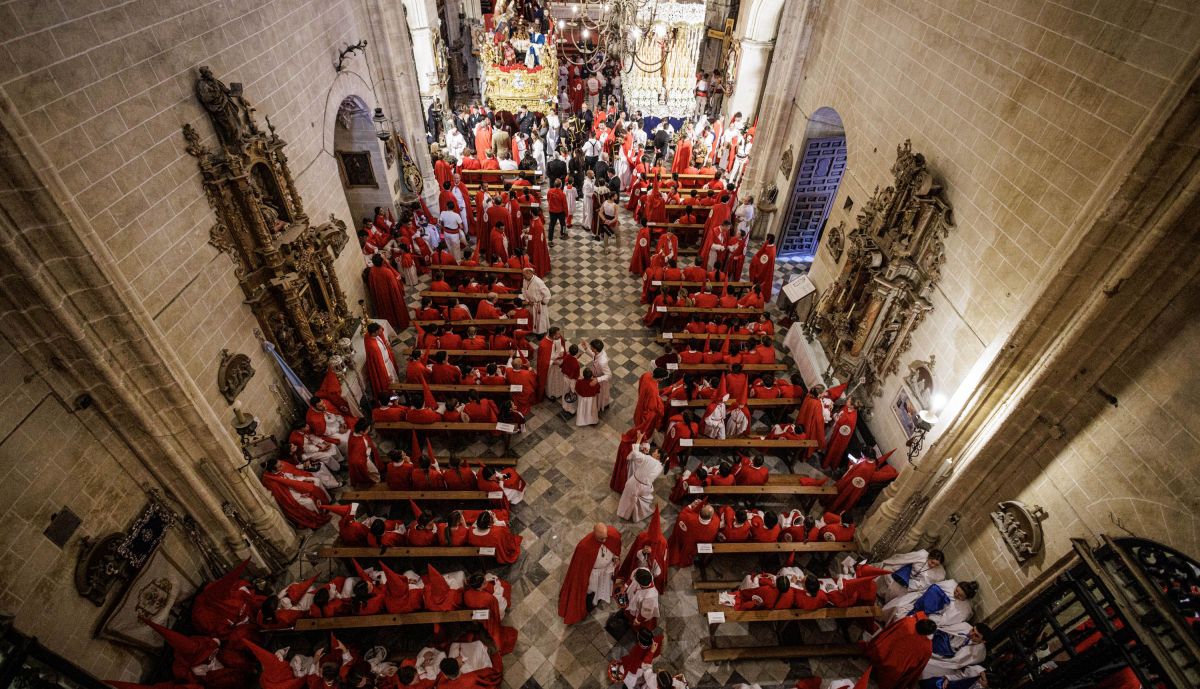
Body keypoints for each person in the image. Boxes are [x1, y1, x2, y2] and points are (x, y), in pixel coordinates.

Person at [558, 523, 622, 624]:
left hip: (606, 571)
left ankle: (598, 597)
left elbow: (615, 548)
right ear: (594, 533)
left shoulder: (612, 535)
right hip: (593, 574)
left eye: (605, 537)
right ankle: (589, 603)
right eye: (601, 539)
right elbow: (579, 567)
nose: (604, 541)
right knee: (591, 590)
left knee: (603, 586)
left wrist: (615, 557)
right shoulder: (584, 546)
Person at [867, 614, 937, 689]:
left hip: (881, 655)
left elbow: (888, 631)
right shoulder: (927, 647)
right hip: (895, 671)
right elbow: (918, 668)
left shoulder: (906, 622)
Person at [616, 433, 663, 522]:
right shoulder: (660, 466)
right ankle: (637, 515)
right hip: (646, 488)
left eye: (656, 452)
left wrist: (639, 439)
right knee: (636, 500)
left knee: (627, 498)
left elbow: (635, 453)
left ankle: (624, 513)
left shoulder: (648, 458)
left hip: (635, 483)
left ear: (658, 456)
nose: (653, 452)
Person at [366, 254, 410, 331]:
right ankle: (398, 322)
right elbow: (394, 286)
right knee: (395, 308)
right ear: (382, 262)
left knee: (386, 310)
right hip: (390, 295)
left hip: (380, 295)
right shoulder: (387, 272)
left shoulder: (372, 271)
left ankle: (390, 324)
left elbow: (372, 285)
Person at [362, 322, 400, 400]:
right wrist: (387, 374)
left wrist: (385, 344)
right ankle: (392, 397)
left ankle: (395, 391)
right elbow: (380, 364)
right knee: (389, 382)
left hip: (386, 361)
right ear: (374, 333)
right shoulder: (374, 347)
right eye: (378, 331)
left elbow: (381, 329)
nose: (381, 331)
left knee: (394, 379)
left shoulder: (369, 335)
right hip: (384, 366)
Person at [581, 338, 612, 410]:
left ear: (595, 349)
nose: (590, 347)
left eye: (591, 347)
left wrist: (597, 380)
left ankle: (603, 405)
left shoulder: (602, 362)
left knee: (601, 394)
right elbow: (593, 355)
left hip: (601, 380)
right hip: (596, 376)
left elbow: (609, 375)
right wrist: (586, 348)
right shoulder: (599, 352)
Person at [520, 267, 551, 334]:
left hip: (539, 304)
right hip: (531, 304)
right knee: (533, 318)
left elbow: (547, 293)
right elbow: (524, 290)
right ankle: (534, 330)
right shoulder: (525, 280)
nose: (523, 277)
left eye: (524, 275)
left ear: (530, 273)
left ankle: (541, 333)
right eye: (523, 275)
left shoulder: (538, 282)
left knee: (540, 320)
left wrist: (544, 301)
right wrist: (528, 301)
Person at [748, 233, 777, 301]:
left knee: (759, 284)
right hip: (767, 269)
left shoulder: (768, 251)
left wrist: (755, 263)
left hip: (764, 272)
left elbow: (762, 262)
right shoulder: (773, 247)